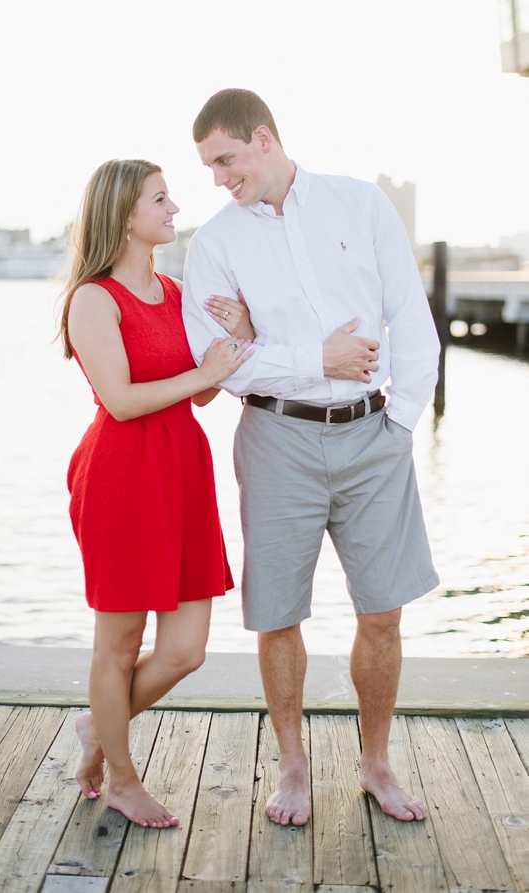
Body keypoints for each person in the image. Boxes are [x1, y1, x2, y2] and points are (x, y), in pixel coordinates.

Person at [181, 88, 440, 826]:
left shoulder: (360, 205)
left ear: (263, 138)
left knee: (383, 612)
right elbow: (218, 363)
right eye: (207, 166)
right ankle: (292, 765)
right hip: (274, 440)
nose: (218, 178)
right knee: (278, 613)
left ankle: (376, 762)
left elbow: (413, 323)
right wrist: (315, 359)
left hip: (374, 436)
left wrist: (403, 424)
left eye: (225, 159)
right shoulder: (215, 243)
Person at [59, 159, 251, 828]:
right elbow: (119, 398)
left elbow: (197, 390)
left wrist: (237, 344)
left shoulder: (174, 291)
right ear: (124, 215)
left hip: (180, 469)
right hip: (122, 473)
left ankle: (96, 727)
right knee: (117, 643)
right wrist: (204, 370)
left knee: (186, 648)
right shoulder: (92, 298)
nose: (174, 209)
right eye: (160, 199)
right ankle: (121, 775)